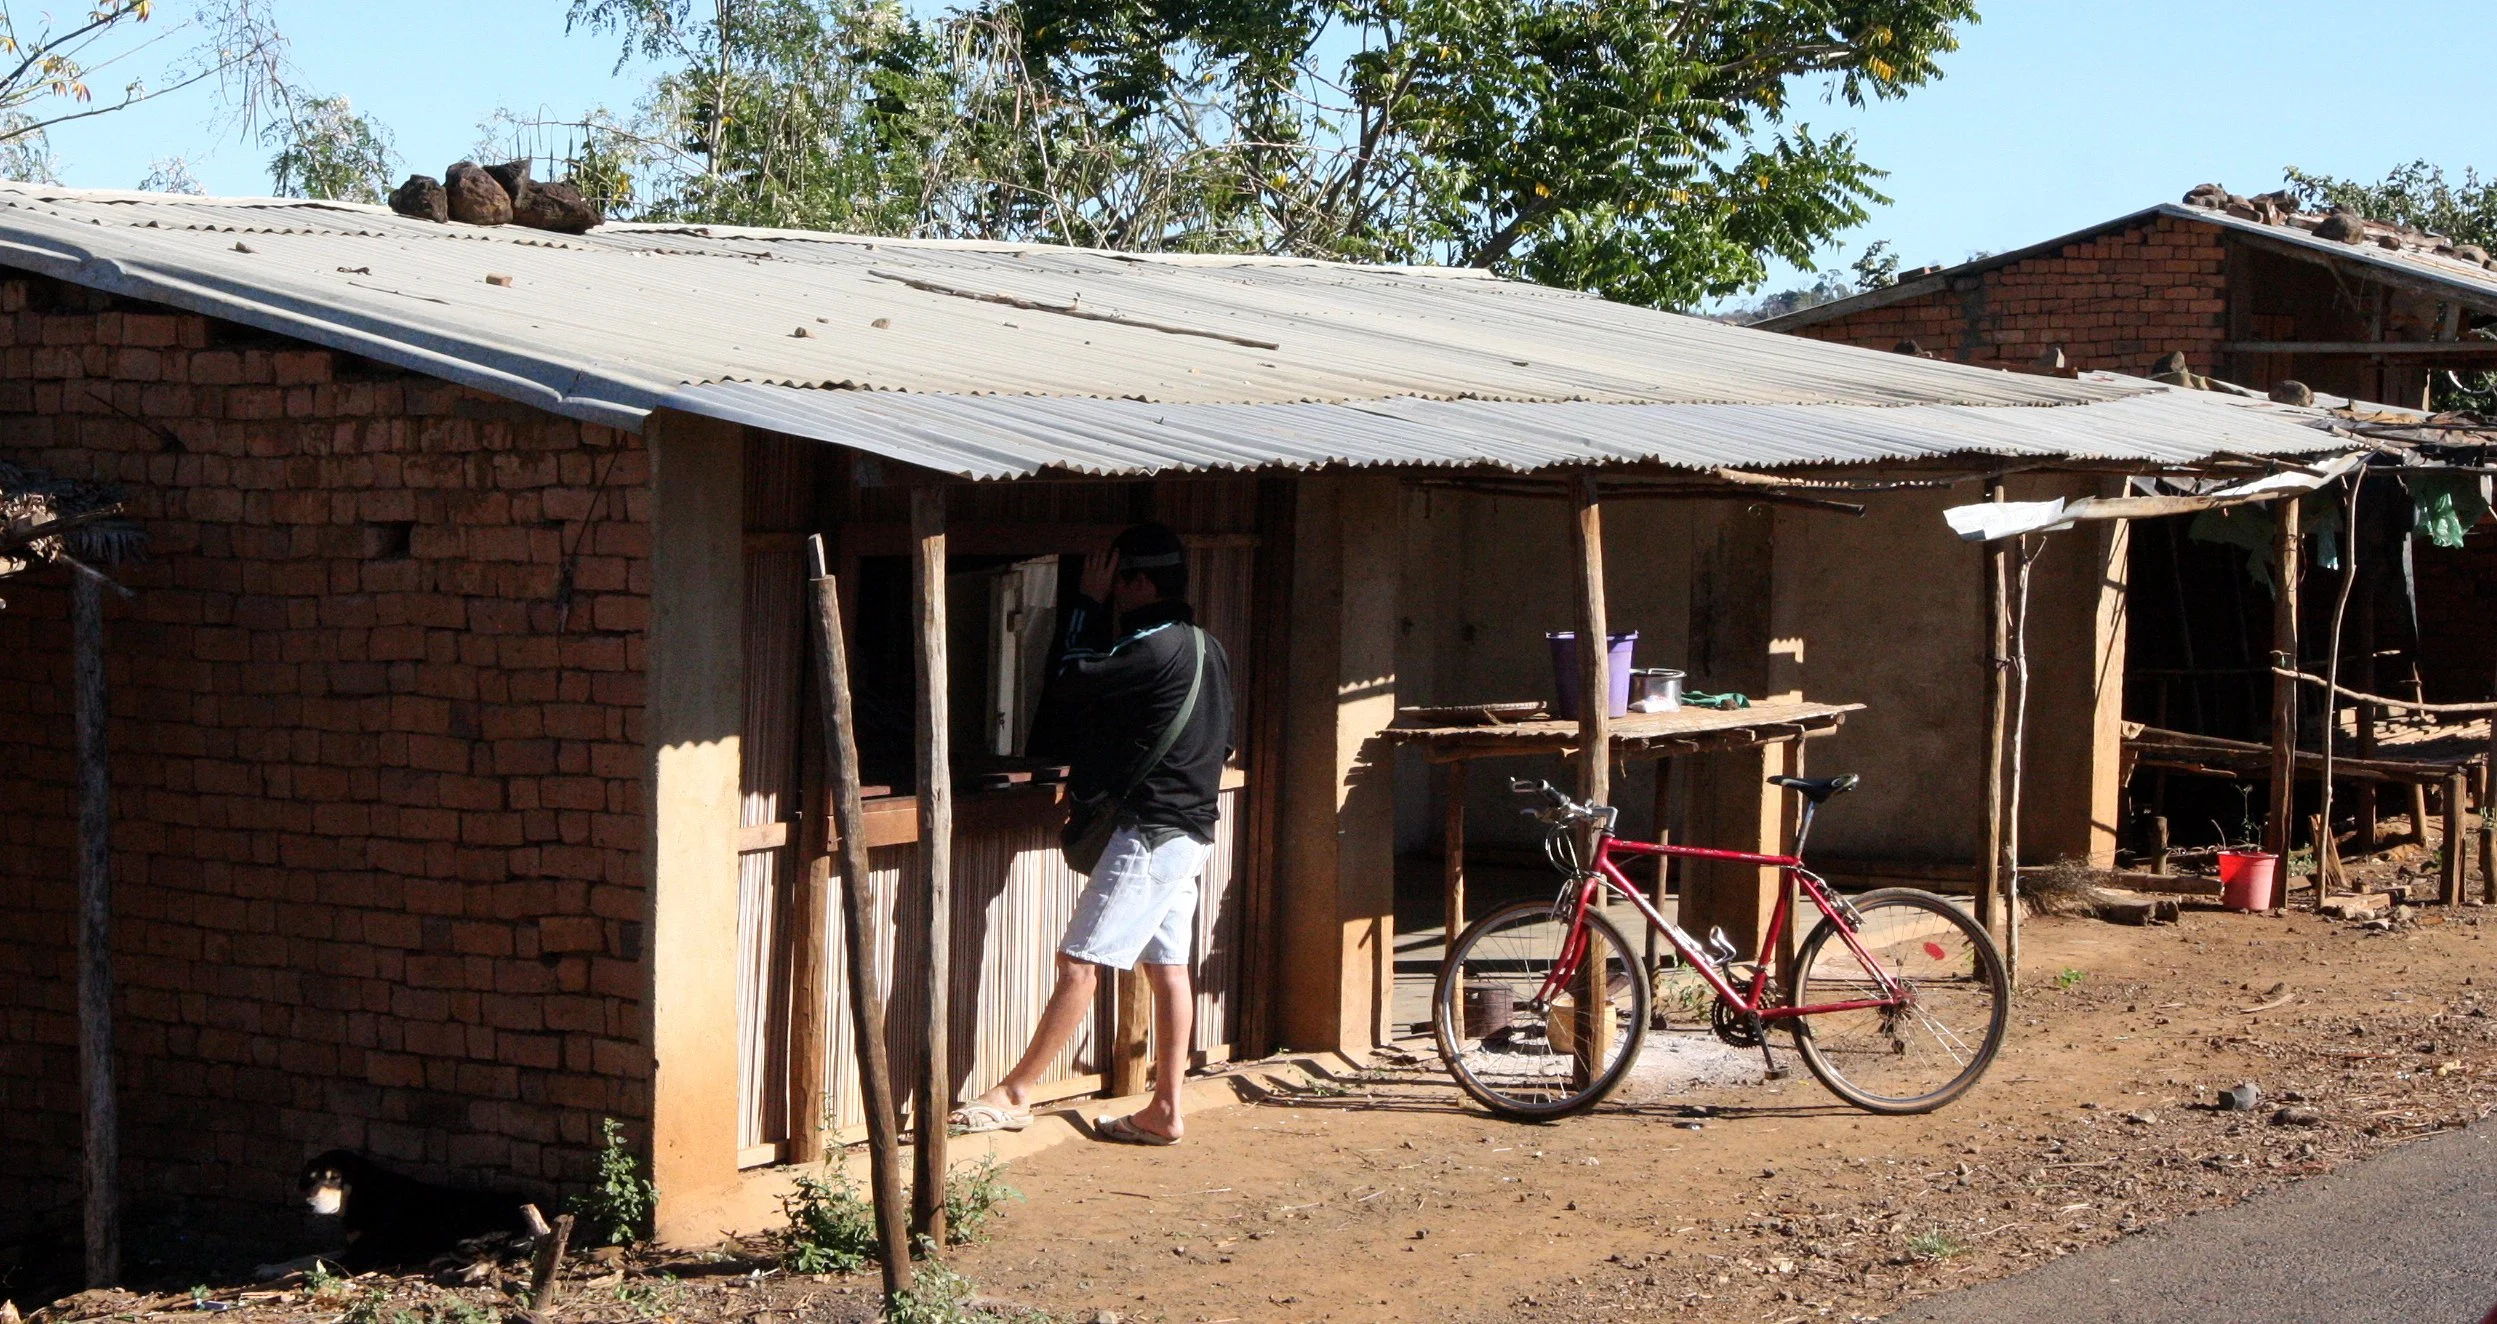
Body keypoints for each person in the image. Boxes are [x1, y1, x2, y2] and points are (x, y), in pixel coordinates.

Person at [949, 522, 1234, 1145]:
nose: (1115, 592)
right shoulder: (1208, 648)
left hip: (1152, 834)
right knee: (1168, 969)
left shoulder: (1152, 647)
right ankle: (1164, 1110)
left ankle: (1015, 1093)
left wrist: (1081, 603)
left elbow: (1068, 678)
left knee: (1080, 961)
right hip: (1189, 833)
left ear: (1136, 581)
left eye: (1118, 579)